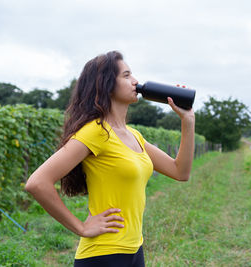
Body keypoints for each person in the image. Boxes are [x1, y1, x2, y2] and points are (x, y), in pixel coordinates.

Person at [25, 51, 195, 267]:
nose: (135, 81)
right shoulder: (95, 132)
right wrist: (81, 227)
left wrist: (187, 121)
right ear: (106, 84)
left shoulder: (134, 136)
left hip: (135, 249)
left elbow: (181, 172)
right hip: (103, 255)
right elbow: (37, 183)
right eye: (126, 75)